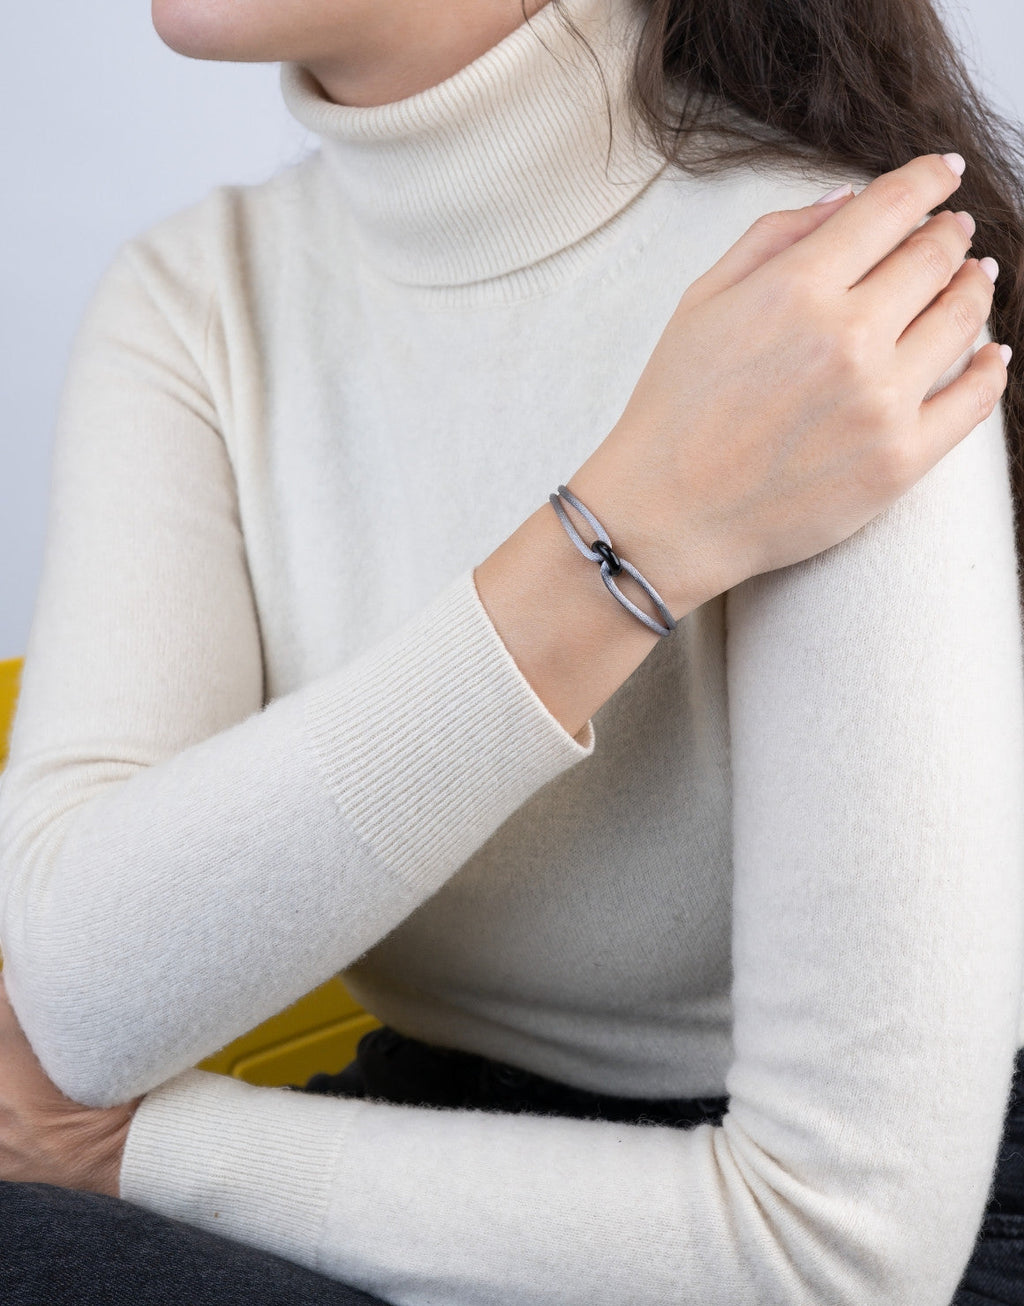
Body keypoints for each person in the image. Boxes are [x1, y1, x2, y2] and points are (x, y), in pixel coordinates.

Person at [0, 0, 1022, 1301]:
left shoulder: (833, 306)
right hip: (420, 1137)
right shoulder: (197, 298)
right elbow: (79, 1004)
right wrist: (633, 529)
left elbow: (840, 1252)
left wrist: (136, 1154)